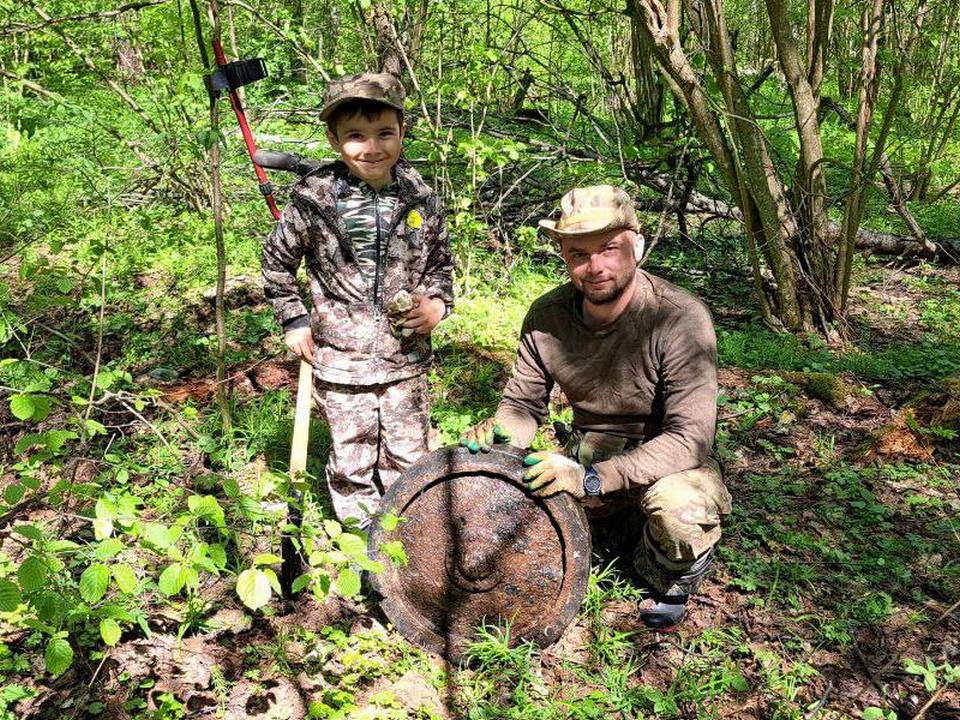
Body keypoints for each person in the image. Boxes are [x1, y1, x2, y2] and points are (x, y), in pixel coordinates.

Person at [461, 185, 731, 629]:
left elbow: (690, 439)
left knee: (680, 511)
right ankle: (613, 530)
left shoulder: (679, 317)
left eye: (610, 248)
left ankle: (672, 573)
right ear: (564, 256)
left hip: (664, 462)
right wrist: (499, 438)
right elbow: (522, 406)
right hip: (589, 453)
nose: (595, 267)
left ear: (637, 245)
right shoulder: (547, 316)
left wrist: (589, 480)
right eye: (578, 254)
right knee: (504, 498)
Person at [262, 72, 453, 527]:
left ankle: (408, 535)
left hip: (404, 356)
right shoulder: (314, 200)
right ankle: (360, 537)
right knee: (352, 458)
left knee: (409, 455)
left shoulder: (421, 199)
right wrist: (294, 320)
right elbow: (276, 262)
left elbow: (441, 266)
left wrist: (437, 305)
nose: (372, 148)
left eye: (385, 133)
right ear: (334, 139)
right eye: (355, 136)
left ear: (402, 132)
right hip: (340, 361)